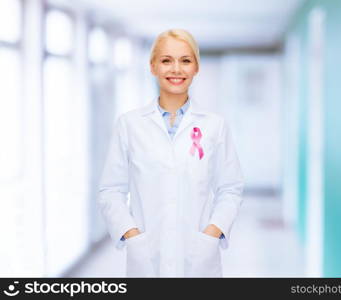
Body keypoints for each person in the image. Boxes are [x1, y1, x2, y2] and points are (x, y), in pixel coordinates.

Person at [97, 29, 244, 277]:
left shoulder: (214, 125)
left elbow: (230, 188)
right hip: (146, 255)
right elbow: (111, 190)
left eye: (185, 60)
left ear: (196, 68)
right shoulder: (129, 124)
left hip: (199, 257)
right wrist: (131, 235)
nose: (176, 69)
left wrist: (212, 232)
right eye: (166, 60)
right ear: (153, 66)